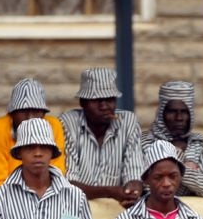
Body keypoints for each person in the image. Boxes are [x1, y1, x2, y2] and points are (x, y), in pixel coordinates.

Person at [60, 68, 144, 206]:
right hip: (73, 208)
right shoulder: (67, 123)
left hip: (115, 210)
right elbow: (68, 184)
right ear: (83, 102)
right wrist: (108, 192)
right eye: (97, 100)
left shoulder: (128, 122)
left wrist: (132, 191)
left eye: (109, 99)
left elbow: (134, 171)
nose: (104, 106)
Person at [0, 77, 68, 195]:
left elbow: (58, 174)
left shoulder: (52, 126)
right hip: (8, 201)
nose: (30, 117)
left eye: (36, 111)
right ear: (11, 113)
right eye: (23, 111)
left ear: (44, 113)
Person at [140, 80, 203, 197]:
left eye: (184, 112)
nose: (179, 118)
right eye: (172, 112)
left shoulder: (198, 144)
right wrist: (183, 167)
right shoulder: (143, 143)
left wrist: (182, 170)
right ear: (161, 114)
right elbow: (147, 188)